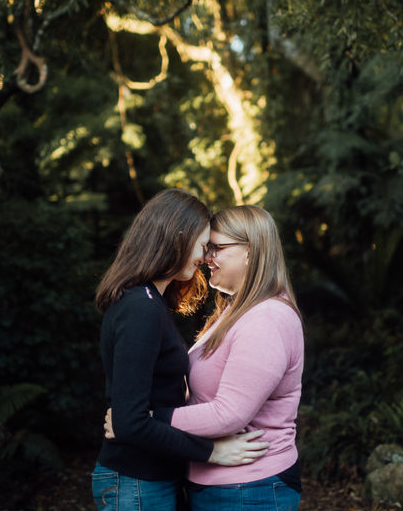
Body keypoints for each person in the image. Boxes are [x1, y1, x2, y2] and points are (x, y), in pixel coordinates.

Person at [106, 204, 305, 511]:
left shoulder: (268, 318)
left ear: (251, 251)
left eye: (217, 248)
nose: (206, 258)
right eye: (207, 248)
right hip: (220, 486)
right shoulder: (233, 313)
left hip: (250, 488)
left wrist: (143, 420)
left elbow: (228, 414)